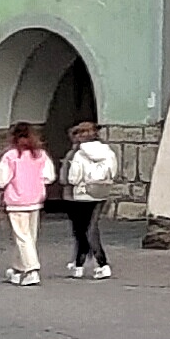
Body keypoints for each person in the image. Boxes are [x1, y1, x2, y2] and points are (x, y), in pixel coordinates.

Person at [56, 118, 120, 278]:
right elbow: (113, 170)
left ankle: (99, 262)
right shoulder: (107, 151)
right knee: (91, 227)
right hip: (100, 192)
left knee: (82, 230)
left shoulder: (78, 153)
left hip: (78, 195)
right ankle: (80, 262)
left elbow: (73, 177)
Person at [0, 122, 53, 284]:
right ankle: (18, 268)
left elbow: (1, 179)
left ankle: (31, 269)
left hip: (16, 200)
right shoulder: (40, 154)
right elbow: (49, 176)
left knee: (21, 236)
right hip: (35, 199)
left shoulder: (11, 156)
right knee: (29, 236)